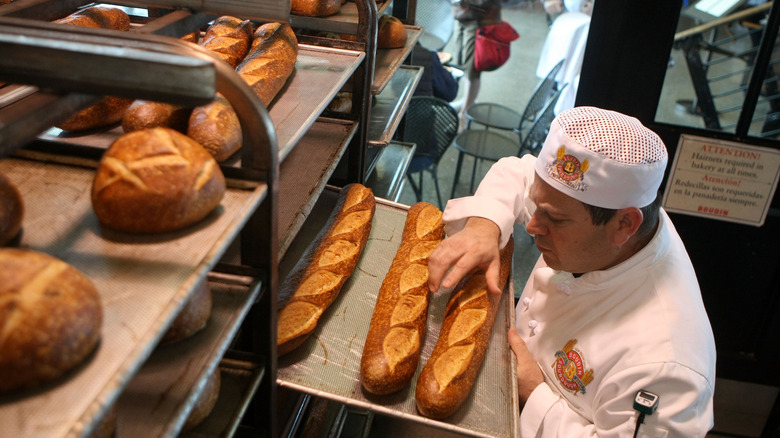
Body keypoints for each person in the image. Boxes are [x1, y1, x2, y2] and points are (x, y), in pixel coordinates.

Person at [427, 106, 717, 436]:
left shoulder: (665, 366)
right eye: (537, 206)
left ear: (625, 224)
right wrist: (484, 224)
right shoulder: (612, 212)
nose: (533, 226)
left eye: (556, 221)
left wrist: (534, 394)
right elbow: (519, 172)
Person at [450, 0, 502, 121]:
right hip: (460, 13)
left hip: (479, 15)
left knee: (472, 67)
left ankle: (464, 114)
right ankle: (468, 101)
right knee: (463, 64)